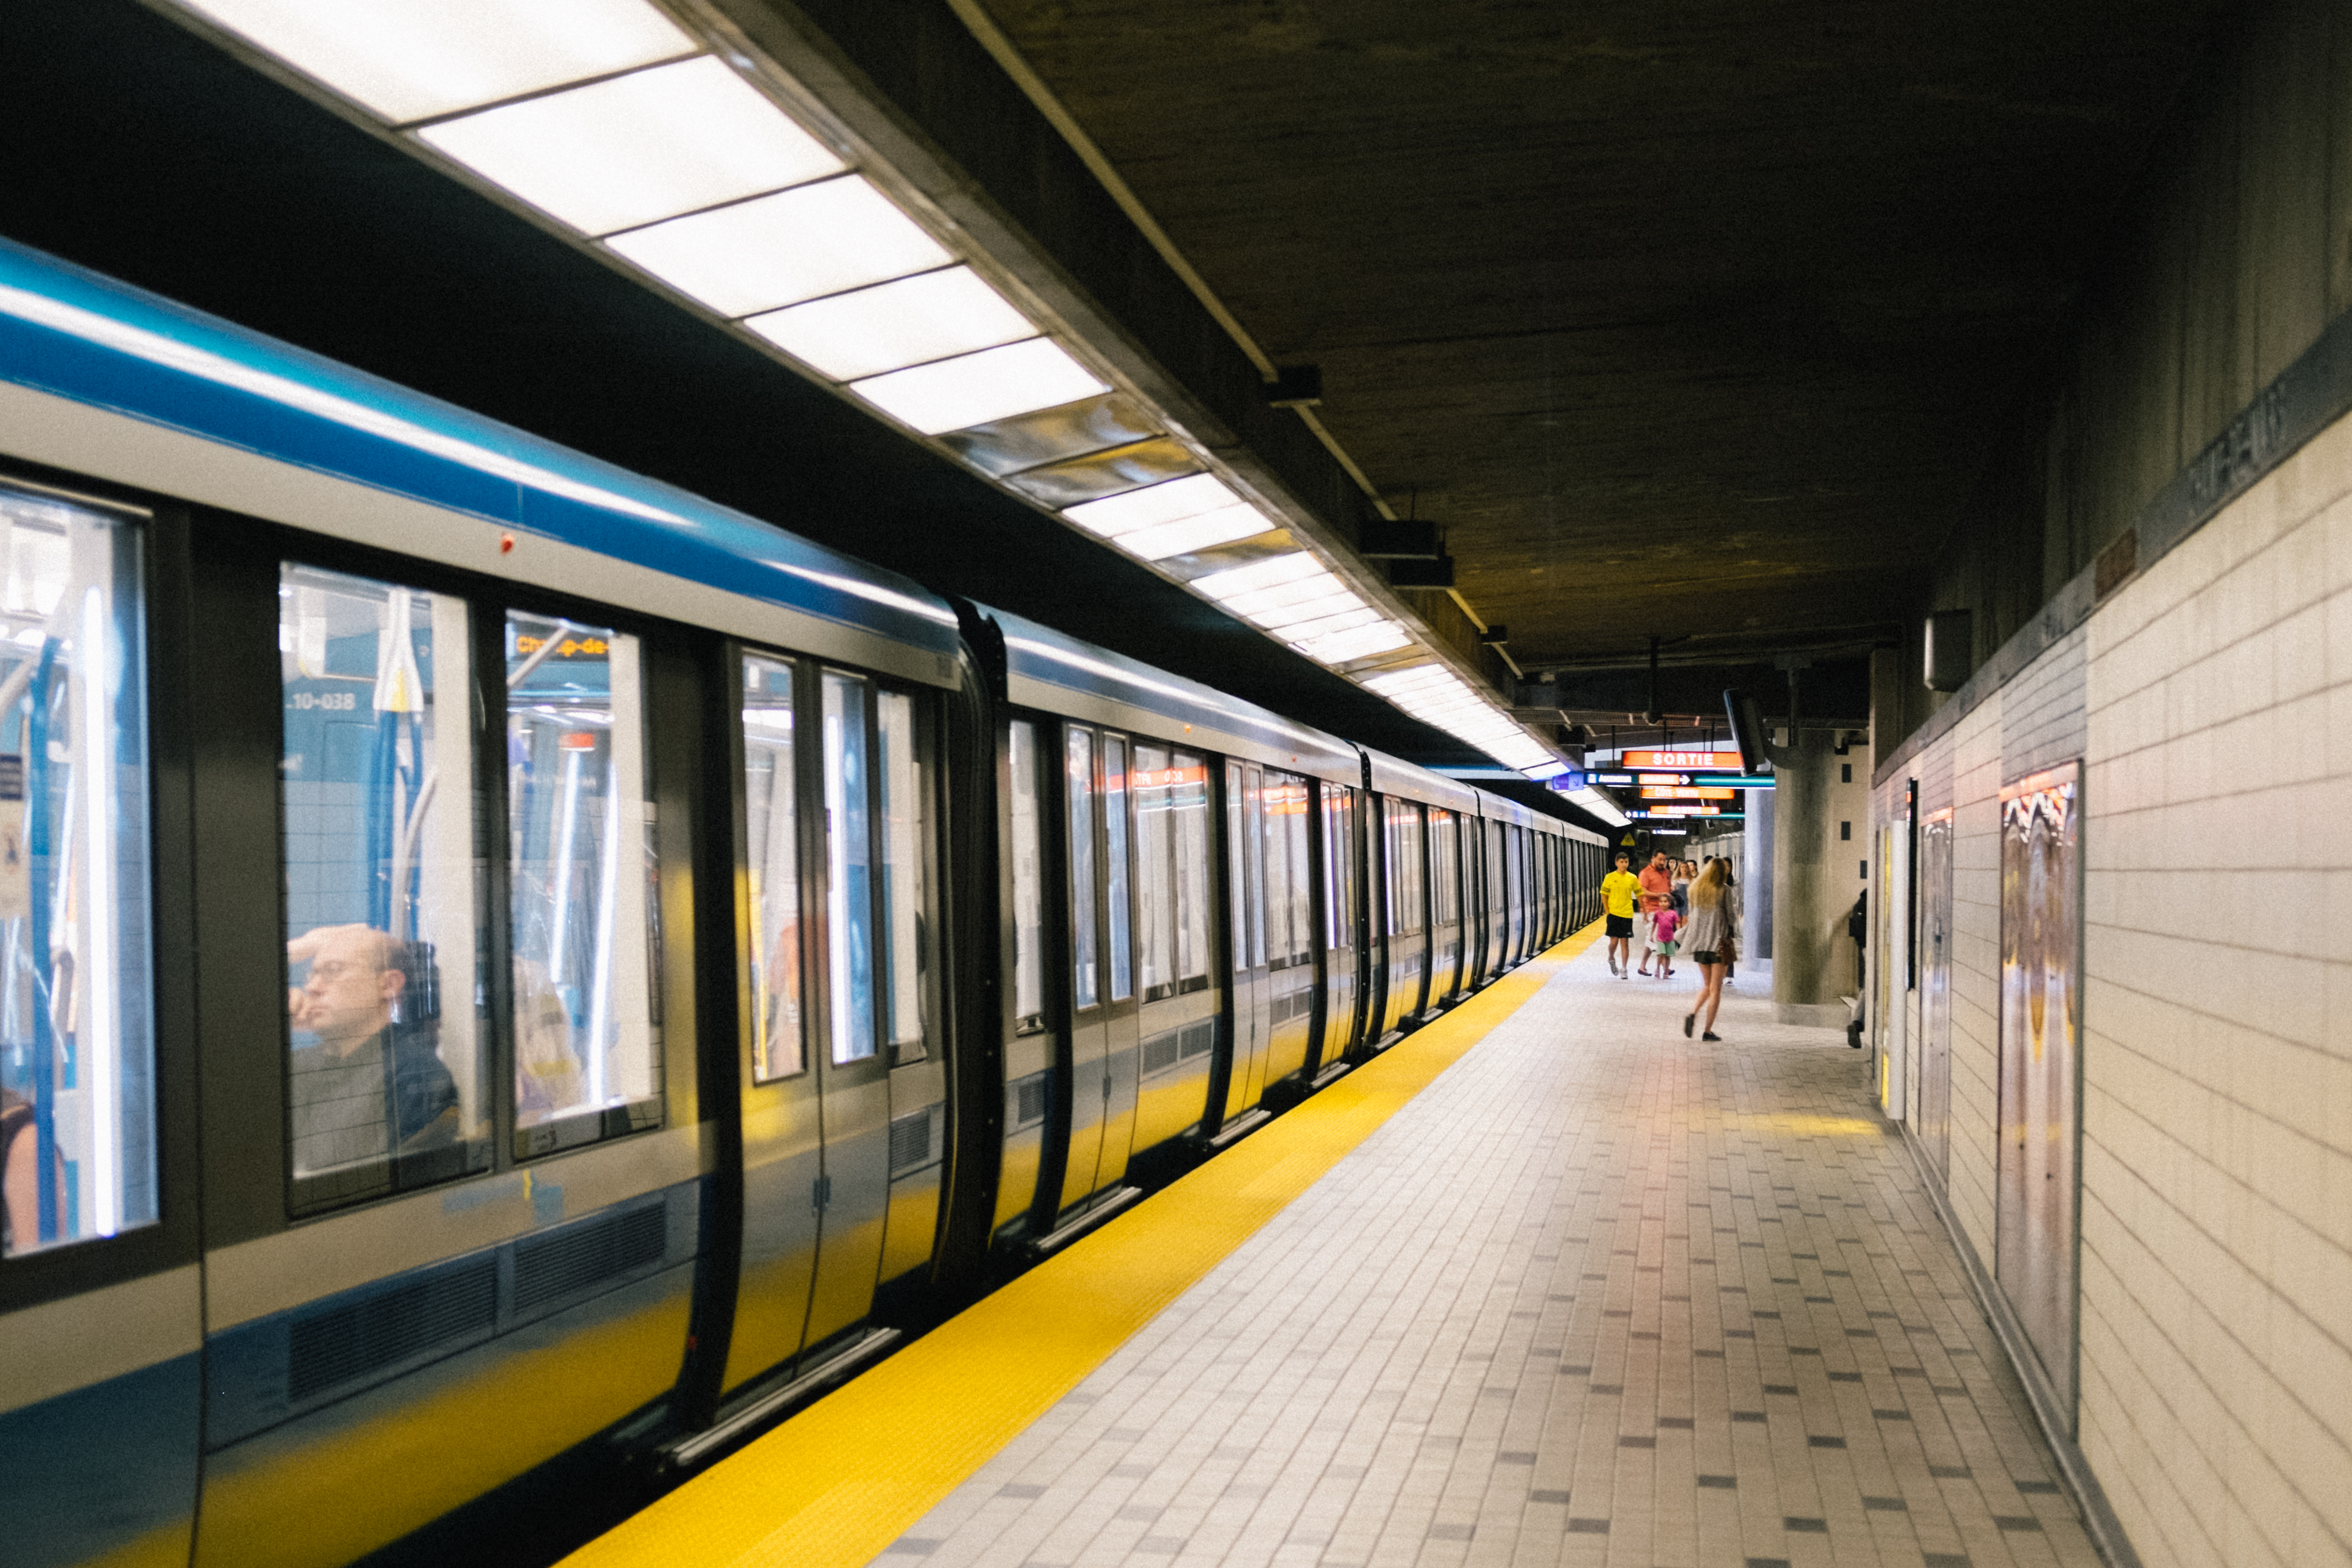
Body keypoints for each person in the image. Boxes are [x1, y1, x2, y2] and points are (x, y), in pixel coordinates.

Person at [287, 924, 459, 1176]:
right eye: (311, 975)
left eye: (333, 970)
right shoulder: (300, 1065)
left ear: (388, 985)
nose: (312, 987)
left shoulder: (414, 1075)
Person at [1681, 860, 1739, 1040]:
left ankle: (1693, 1013)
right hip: (1718, 945)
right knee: (1716, 990)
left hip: (1700, 946)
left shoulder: (1695, 890)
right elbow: (1731, 918)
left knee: (1707, 986)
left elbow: (1692, 917)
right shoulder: (1724, 890)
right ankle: (1707, 1031)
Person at [1600, 852, 1642, 977]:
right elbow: (1604, 895)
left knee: (1625, 942)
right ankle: (1611, 957)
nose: (1624, 864)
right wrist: (1608, 912)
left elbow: (1639, 894)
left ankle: (1624, 969)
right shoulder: (1609, 877)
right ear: (1616, 863)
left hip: (1627, 914)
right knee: (1614, 942)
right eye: (1622, 862)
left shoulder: (1632, 878)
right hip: (1614, 914)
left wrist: (1643, 910)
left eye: (1626, 862)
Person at [1634, 851, 1673, 976]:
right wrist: (1660, 895)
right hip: (1650, 910)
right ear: (1653, 858)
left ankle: (1643, 966)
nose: (1662, 862)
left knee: (1653, 938)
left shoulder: (1666, 872)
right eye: (1660, 859)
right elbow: (1642, 891)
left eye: (1664, 860)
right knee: (1658, 938)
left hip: (1664, 911)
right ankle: (1665, 967)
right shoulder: (1645, 873)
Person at [1649, 902, 1680, 979]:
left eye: (1665, 902)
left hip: (1670, 938)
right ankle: (1658, 969)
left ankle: (1666, 971)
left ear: (1669, 903)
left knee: (1668, 955)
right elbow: (1654, 924)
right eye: (1661, 902)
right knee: (1661, 954)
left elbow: (1677, 923)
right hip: (1660, 938)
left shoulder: (1673, 913)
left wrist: (1679, 933)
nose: (1663, 903)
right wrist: (1651, 934)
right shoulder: (1657, 913)